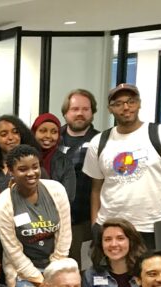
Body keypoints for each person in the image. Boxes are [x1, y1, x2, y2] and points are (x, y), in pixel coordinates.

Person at [83, 83, 161, 287]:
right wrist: (96, 224)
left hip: (152, 227)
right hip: (112, 228)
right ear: (110, 108)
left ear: (139, 104)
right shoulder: (100, 142)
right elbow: (96, 188)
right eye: (119, 103)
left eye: (131, 101)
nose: (126, 107)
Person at [0, 144, 73, 287]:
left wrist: (51, 274)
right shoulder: (4, 203)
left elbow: (65, 235)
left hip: (55, 265)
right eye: (22, 169)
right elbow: (12, 250)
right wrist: (39, 280)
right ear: (11, 171)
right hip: (23, 272)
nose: (31, 173)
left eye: (35, 167)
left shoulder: (56, 190)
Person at [59, 89, 100, 262]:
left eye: (85, 109)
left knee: (82, 270)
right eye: (75, 109)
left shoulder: (101, 141)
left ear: (92, 112)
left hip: (83, 222)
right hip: (51, 222)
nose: (80, 114)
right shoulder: (51, 137)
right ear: (65, 112)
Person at [81, 217, 145, 287]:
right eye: (107, 239)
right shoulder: (91, 275)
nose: (114, 244)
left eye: (120, 238)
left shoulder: (146, 270)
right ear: (101, 244)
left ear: (131, 241)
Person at [29, 113, 76, 202]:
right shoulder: (23, 157)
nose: (48, 136)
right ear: (34, 132)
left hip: (55, 213)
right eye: (43, 131)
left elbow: (67, 197)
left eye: (54, 132)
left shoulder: (65, 162)